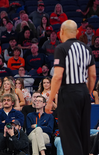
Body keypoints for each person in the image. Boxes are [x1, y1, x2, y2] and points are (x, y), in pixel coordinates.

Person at [46, 20, 97, 155]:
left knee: (70, 134)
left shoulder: (61, 48)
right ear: (77, 32)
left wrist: (50, 100)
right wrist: (88, 93)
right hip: (84, 92)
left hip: (68, 93)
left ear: (61, 32)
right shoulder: (87, 48)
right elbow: (92, 76)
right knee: (83, 133)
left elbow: (57, 77)